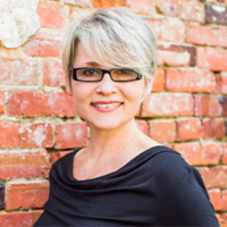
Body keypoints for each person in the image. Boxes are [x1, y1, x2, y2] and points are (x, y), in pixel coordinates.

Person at [34, 7, 219, 227]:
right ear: (69, 80)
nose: (106, 88)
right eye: (90, 72)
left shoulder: (170, 177)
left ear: (147, 83)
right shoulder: (63, 172)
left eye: (124, 71)